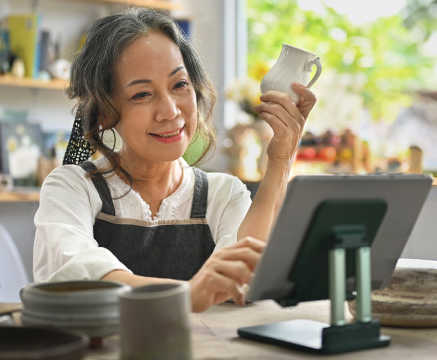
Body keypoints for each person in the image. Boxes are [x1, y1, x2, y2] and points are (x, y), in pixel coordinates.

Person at [33, 8, 317, 313]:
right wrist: (188, 294)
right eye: (142, 94)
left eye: (179, 85)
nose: (169, 111)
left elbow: (247, 282)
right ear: (104, 112)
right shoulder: (72, 188)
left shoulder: (223, 194)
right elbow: (79, 278)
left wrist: (281, 158)